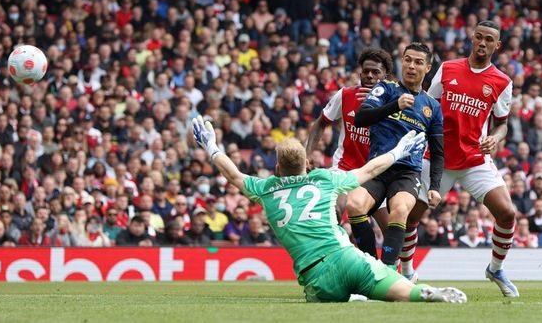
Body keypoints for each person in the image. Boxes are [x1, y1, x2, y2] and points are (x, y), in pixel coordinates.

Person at [192, 116, 465, 303]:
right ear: (306, 164)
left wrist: (212, 147)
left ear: (277, 169)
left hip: (317, 278)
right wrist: (399, 151)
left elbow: (234, 175)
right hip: (346, 257)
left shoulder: (265, 189)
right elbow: (369, 169)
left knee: (332, 299)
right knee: (400, 291)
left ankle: (360, 298)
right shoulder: (325, 178)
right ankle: (423, 294)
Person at [406, 21, 519, 297]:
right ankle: (407, 272)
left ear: (497, 45)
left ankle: (495, 268)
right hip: (437, 158)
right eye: (478, 37)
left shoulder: (503, 82)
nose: (482, 43)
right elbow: (426, 103)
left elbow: (503, 123)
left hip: (474, 159)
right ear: (472, 38)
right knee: (410, 217)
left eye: (489, 40)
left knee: (507, 213)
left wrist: (496, 137)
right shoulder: (448, 68)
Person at [346, 42, 444, 268]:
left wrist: (435, 186)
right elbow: (361, 118)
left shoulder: (432, 106)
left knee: (400, 211)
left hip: (407, 173)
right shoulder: (386, 89)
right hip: (377, 168)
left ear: (427, 68)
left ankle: (389, 271)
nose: (411, 66)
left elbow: (438, 152)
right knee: (354, 204)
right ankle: (372, 267)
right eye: (408, 60)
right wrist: (394, 106)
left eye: (418, 62)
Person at [306, 49, 393, 231]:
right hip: (345, 166)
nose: (370, 76)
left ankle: (385, 259)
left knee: (391, 230)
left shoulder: (394, 103)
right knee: (336, 209)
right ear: (360, 73)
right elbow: (321, 123)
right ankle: (331, 254)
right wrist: (306, 155)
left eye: (375, 72)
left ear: (386, 76)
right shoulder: (345, 95)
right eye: (366, 71)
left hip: (376, 172)